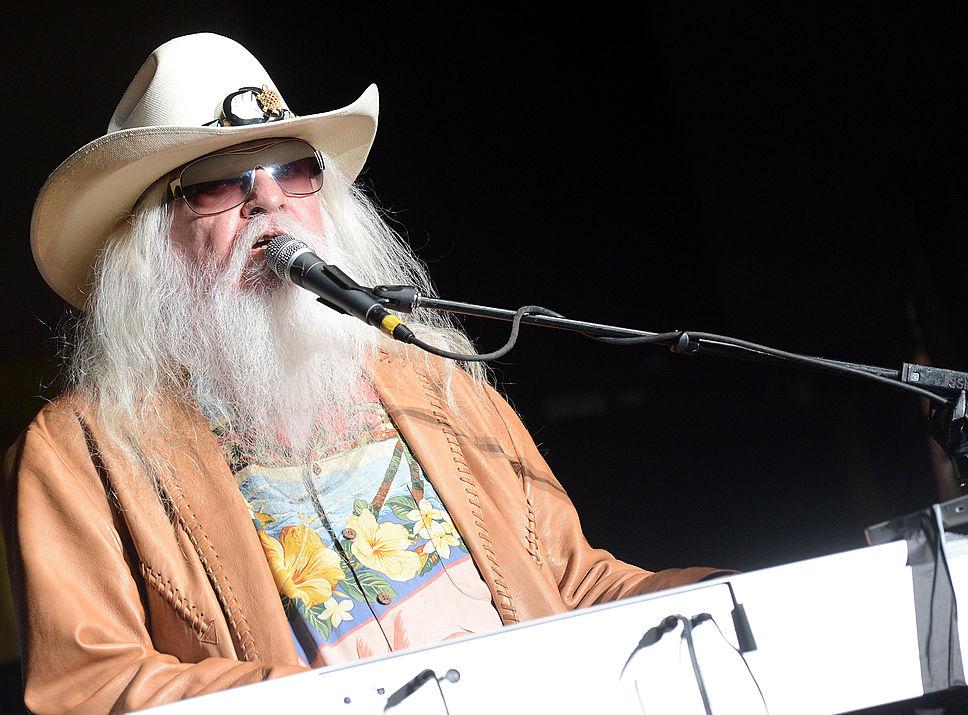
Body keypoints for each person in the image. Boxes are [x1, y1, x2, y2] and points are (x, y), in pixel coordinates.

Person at [4, 33, 723, 714]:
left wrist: (729, 595)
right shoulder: (81, 452)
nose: (271, 201)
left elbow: (573, 583)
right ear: (151, 247)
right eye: (219, 186)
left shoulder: (434, 380)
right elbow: (91, 685)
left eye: (294, 169)